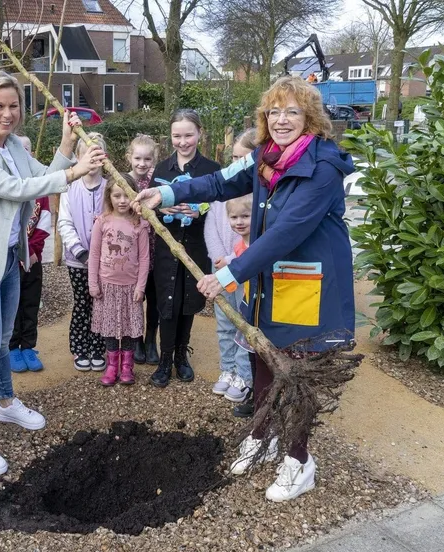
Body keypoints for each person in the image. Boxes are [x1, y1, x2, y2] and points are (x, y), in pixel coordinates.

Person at [135, 76, 355, 502]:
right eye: (274, 111)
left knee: (295, 371)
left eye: (292, 111)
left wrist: (230, 272)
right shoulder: (265, 158)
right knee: (260, 356)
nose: (281, 119)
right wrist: (166, 193)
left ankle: (299, 460)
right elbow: (218, 184)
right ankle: (262, 433)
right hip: (268, 278)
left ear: (310, 117)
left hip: (306, 283)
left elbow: (288, 232)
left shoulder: (323, 166)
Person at [0, 70, 105, 475]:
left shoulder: (13, 144)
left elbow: (39, 176)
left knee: (0, 343)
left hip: (9, 257)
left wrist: (68, 146)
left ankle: (5, 404)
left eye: (13, 105)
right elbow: (16, 190)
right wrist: (74, 171)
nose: (7, 113)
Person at [148, 109, 219, 388]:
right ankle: (165, 359)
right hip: (167, 247)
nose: (183, 142)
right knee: (168, 301)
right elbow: (148, 207)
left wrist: (200, 211)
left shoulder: (212, 170)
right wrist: (161, 205)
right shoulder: (162, 169)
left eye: (189, 135)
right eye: (177, 136)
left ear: (200, 133)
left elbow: (221, 208)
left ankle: (181, 355)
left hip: (197, 246)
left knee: (189, 300)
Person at [205, 129, 256, 399]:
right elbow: (212, 227)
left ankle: (242, 373)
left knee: (242, 323)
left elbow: (259, 241)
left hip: (245, 270)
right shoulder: (223, 189)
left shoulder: (260, 194)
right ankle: (228, 369)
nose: (236, 164)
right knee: (224, 322)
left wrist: (234, 262)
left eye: (243, 158)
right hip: (222, 268)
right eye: (234, 157)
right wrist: (219, 261)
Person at [88, 174, 150, 386]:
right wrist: (93, 283)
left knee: (130, 328)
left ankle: (127, 365)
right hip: (107, 286)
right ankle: (112, 364)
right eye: (117, 195)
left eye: (127, 195)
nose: (122, 200)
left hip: (130, 287)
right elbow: (94, 253)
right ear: (109, 196)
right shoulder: (102, 222)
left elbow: (144, 258)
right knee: (110, 328)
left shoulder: (139, 224)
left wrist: (141, 286)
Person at [58, 132, 109, 372]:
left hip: (105, 262)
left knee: (100, 302)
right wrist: (81, 253)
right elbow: (64, 223)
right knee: (82, 303)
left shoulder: (109, 189)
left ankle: (98, 347)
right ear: (78, 158)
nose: (92, 161)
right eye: (87, 155)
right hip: (78, 261)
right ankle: (80, 347)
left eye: (97, 154)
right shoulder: (69, 188)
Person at [9, 135, 51, 373]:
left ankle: (28, 346)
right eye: (19, 149)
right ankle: (12, 347)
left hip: (33, 259)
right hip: (11, 259)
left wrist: (32, 251)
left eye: (28, 149)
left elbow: (43, 224)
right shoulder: (8, 185)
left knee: (30, 303)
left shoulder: (39, 190)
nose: (24, 153)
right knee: (13, 304)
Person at [126, 134, 160, 366]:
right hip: (131, 249)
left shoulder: (157, 181)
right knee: (135, 295)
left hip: (155, 245)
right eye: (138, 158)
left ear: (154, 159)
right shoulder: (122, 181)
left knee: (154, 295)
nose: (142, 163)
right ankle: (136, 338)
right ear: (129, 157)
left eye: (147, 159)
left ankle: (150, 339)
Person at [219, 193, 253, 404]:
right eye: (234, 217)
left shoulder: (258, 242)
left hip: (250, 293)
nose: (239, 222)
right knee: (226, 326)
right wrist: (227, 260)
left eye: (245, 216)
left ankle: (244, 376)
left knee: (244, 331)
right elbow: (237, 256)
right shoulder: (241, 242)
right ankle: (228, 370)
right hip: (235, 287)